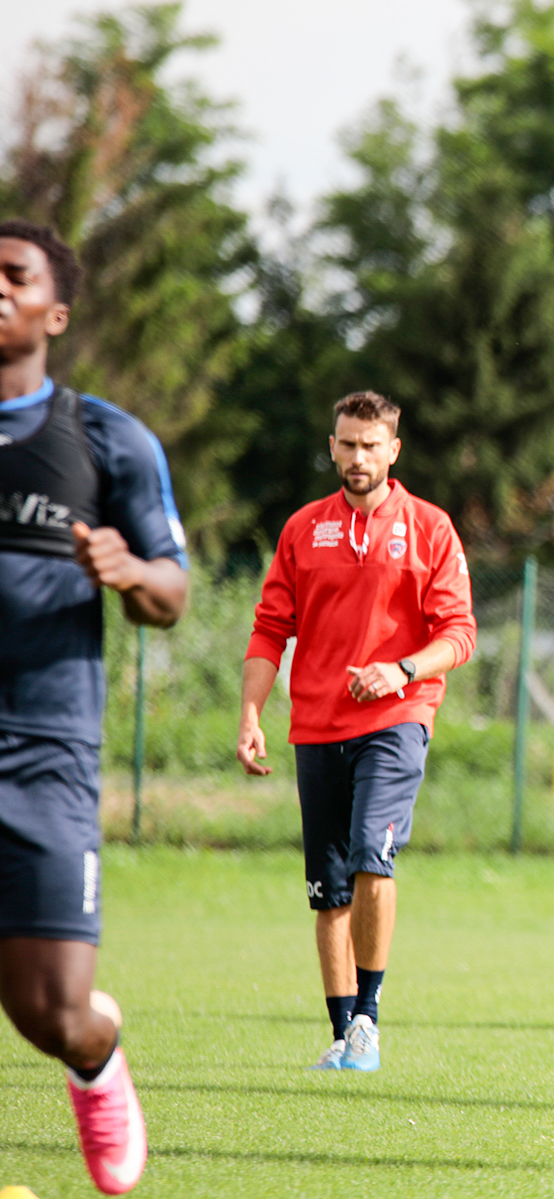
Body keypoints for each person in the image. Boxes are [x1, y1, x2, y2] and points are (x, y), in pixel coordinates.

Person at [0, 219, 190, 1194]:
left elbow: (171, 596)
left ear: (54, 311)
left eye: (13, 275)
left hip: (44, 751)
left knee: (49, 1011)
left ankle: (95, 1053)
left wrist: (128, 570)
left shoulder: (107, 437)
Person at [236, 390, 475, 1071]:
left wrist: (401, 671)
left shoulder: (430, 527)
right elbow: (269, 630)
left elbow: (459, 632)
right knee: (328, 888)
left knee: (375, 852)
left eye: (371, 445)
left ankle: (369, 1018)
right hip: (315, 724)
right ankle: (343, 1036)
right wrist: (252, 714)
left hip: (397, 719)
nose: (357, 456)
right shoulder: (302, 528)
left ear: (394, 450)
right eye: (347, 443)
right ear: (332, 446)